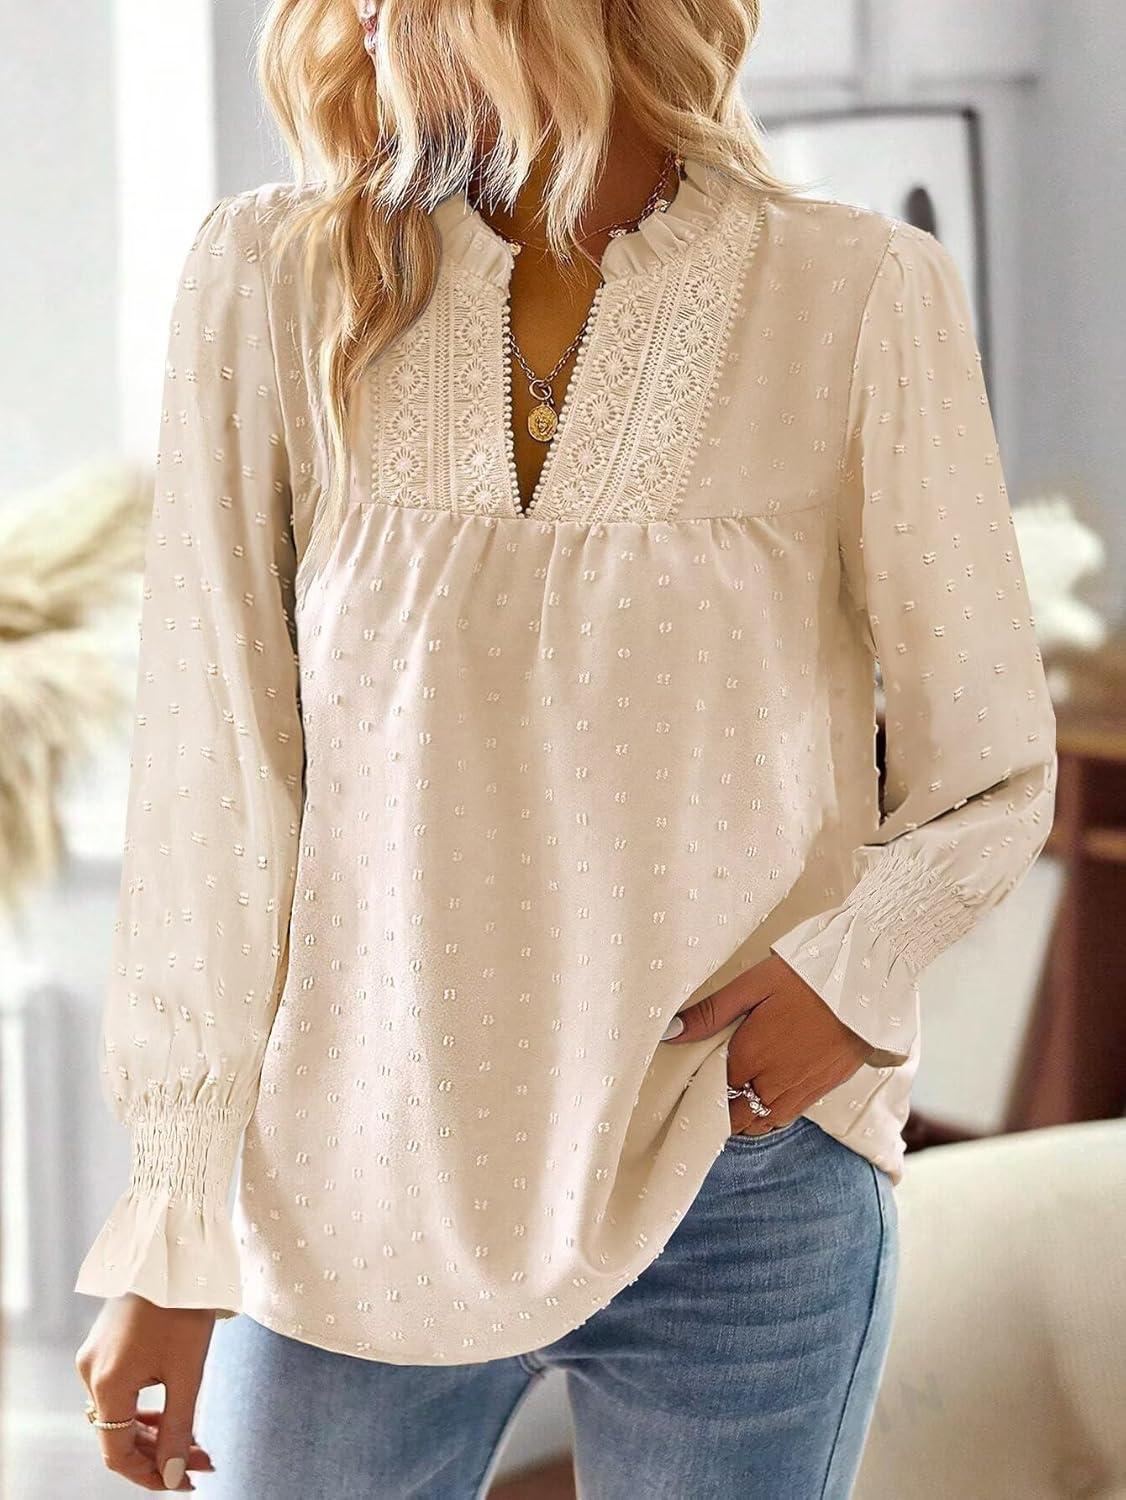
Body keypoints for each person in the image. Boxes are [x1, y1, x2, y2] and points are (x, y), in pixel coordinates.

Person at [72, 0, 1057, 1494]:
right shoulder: (273, 280)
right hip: (352, 1181)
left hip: (736, 1169)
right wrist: (173, 1217)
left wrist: (847, 977)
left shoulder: (856, 294)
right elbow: (212, 785)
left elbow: (990, 764)